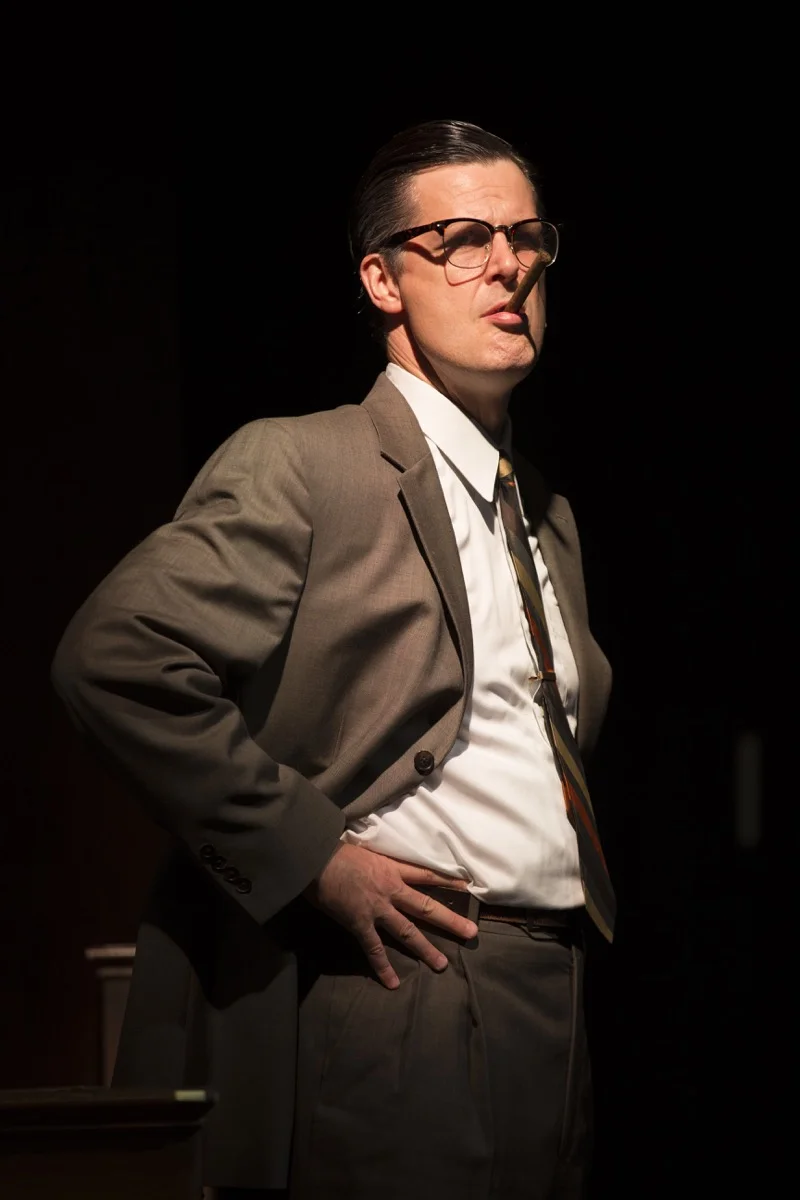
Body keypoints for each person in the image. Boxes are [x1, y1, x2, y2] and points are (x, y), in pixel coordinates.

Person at [52, 119, 615, 1199]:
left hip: (552, 986)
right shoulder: (307, 463)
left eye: (528, 237)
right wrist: (310, 855)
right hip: (408, 985)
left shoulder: (544, 510)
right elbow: (115, 658)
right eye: (464, 239)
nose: (509, 265)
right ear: (382, 278)